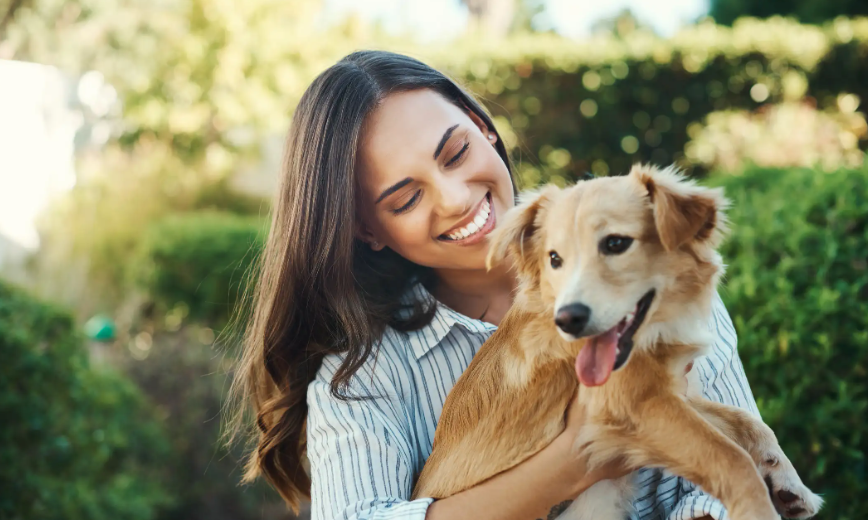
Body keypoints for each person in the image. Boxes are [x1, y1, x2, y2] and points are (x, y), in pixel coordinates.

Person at [229, 50, 759, 520]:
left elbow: (731, 487)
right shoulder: (363, 375)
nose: (455, 199)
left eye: (456, 153)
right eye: (406, 199)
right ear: (366, 230)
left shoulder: (653, 277)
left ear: (484, 128)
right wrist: (575, 458)